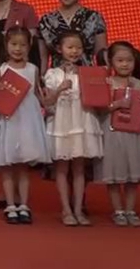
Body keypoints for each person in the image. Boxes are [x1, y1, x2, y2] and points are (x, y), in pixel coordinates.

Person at [0, 27, 51, 224]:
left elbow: (38, 95)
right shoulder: (1, 68)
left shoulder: (33, 69)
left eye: (22, 45)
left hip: (27, 121)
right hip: (6, 120)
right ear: (6, 45)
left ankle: (24, 205)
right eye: (13, 44)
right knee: (6, 163)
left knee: (23, 165)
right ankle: (10, 204)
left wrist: (51, 101)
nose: (18, 49)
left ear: (29, 46)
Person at [41, 31, 103, 226]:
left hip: (81, 122)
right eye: (70, 47)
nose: (74, 51)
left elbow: (97, 100)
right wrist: (59, 88)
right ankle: (66, 210)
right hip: (61, 123)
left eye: (78, 47)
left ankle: (78, 210)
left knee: (79, 169)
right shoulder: (52, 74)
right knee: (61, 168)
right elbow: (47, 102)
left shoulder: (87, 73)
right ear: (59, 49)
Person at [95, 41, 140, 227]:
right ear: (111, 62)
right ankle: (118, 210)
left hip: (133, 135)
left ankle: (130, 209)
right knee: (113, 173)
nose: (125, 64)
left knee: (131, 174)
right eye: (120, 60)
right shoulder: (106, 83)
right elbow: (100, 110)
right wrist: (117, 104)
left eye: (129, 60)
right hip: (112, 133)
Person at [37, 0, 109, 70]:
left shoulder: (93, 18)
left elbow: (101, 56)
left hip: (86, 75)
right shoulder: (46, 21)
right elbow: (43, 58)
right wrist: (42, 77)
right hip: (57, 77)